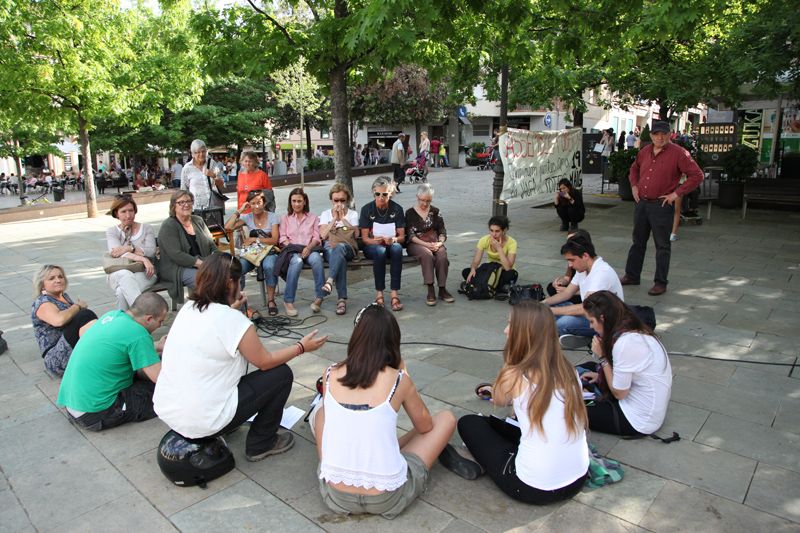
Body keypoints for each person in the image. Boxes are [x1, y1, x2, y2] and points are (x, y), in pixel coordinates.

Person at [154, 254, 328, 461]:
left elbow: (216, 324)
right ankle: (262, 443)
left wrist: (231, 310)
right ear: (230, 283)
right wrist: (301, 347)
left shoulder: (188, 310)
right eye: (238, 280)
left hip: (170, 411)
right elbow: (265, 362)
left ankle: (231, 426)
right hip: (204, 419)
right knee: (280, 374)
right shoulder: (231, 319)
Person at [311, 304, 476, 519]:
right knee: (445, 418)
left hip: (335, 496)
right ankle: (388, 453)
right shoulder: (399, 380)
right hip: (387, 497)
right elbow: (425, 426)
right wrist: (403, 371)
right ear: (392, 341)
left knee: (322, 413)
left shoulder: (330, 373)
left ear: (356, 337)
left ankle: (334, 467)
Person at [457, 301, 589, 504]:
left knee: (469, 423)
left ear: (523, 334)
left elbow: (500, 400)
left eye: (511, 325)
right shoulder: (568, 369)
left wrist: (510, 358)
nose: (505, 330)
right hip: (578, 478)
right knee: (502, 425)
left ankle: (481, 463)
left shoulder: (515, 373)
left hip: (533, 488)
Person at [57, 293, 168, 431]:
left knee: (142, 374)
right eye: (160, 321)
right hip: (95, 413)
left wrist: (157, 346)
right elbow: (162, 379)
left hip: (73, 404)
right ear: (149, 319)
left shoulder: (112, 316)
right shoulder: (139, 334)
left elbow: (124, 346)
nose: (161, 325)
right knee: (166, 395)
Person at [621, 121, 704, 296]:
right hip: (642, 203)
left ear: (670, 134)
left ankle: (660, 282)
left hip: (661, 205)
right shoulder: (644, 151)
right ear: (651, 135)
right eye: (656, 134)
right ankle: (632, 275)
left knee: (662, 246)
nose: (660, 137)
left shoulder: (679, 153)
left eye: (664, 134)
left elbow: (697, 175)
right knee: (638, 242)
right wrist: (634, 186)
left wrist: (676, 194)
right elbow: (633, 169)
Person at [580, 291, 672, 436]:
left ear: (602, 318)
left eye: (591, 321)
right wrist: (600, 375)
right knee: (591, 368)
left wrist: (603, 357)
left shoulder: (625, 343)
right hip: (642, 407)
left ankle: (582, 396)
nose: (591, 327)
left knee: (570, 405)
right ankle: (583, 391)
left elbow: (619, 393)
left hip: (636, 421)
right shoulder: (634, 329)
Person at [542, 236, 624, 344]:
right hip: (589, 313)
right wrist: (542, 304)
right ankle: (560, 330)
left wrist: (548, 311)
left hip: (604, 320)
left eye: (572, 260)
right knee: (551, 307)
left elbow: (587, 309)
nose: (570, 265)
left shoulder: (602, 272)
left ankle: (588, 338)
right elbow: (567, 293)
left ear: (585, 256)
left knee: (562, 322)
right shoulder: (582, 270)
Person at [31, 265, 98, 376]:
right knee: (84, 315)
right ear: (42, 284)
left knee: (91, 317)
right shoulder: (42, 302)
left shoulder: (63, 296)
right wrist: (77, 306)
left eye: (60, 277)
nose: (58, 280)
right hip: (57, 359)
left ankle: (101, 351)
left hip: (70, 348)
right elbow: (59, 320)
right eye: (52, 278)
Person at [225, 189, 280, 314]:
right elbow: (228, 227)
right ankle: (237, 299)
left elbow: (274, 240)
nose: (256, 206)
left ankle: (271, 300)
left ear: (264, 203)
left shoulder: (272, 217)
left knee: (269, 266)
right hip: (253, 253)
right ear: (249, 205)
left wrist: (254, 239)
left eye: (259, 202)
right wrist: (239, 211)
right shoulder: (247, 217)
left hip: (268, 251)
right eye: (253, 203)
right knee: (238, 268)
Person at [156, 191, 217, 301]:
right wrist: (203, 265)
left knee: (232, 273)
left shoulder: (198, 220)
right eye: (181, 202)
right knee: (208, 281)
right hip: (177, 268)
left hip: (202, 263)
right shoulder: (168, 225)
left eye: (189, 201)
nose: (186, 204)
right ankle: (209, 312)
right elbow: (176, 255)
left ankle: (234, 310)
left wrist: (218, 259)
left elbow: (211, 244)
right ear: (174, 206)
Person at [360, 176, 406, 311]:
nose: (381, 197)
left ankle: (394, 293)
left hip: (391, 244)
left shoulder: (397, 209)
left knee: (397, 249)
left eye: (385, 194)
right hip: (373, 246)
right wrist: (374, 241)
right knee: (379, 251)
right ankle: (379, 293)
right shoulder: (367, 209)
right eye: (377, 194)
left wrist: (394, 240)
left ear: (390, 194)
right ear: (373, 193)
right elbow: (364, 239)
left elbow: (402, 236)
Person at [278, 188, 325, 317]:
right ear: (290, 202)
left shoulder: (313, 218)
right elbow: (282, 238)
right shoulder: (285, 218)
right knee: (297, 262)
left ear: (305, 202)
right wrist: (294, 248)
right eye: (294, 201)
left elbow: (316, 237)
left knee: (316, 260)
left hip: (309, 249)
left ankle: (319, 298)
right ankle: (288, 301)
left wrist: (308, 248)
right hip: (293, 250)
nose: (296, 204)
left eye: (299, 201)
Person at [105, 195, 157, 310]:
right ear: (116, 213)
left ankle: (124, 323)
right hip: (117, 271)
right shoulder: (112, 232)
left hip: (144, 272)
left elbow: (151, 251)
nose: (128, 215)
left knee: (121, 292)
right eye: (123, 212)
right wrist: (143, 258)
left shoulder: (146, 228)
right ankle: (143, 315)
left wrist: (129, 248)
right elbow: (116, 253)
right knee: (125, 274)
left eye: (131, 211)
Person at [405, 184, 454, 306]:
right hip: (417, 243)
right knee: (427, 255)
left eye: (428, 201)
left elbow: (442, 231)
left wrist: (440, 242)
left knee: (442, 255)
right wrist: (426, 245)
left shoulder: (435, 211)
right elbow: (410, 235)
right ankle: (430, 288)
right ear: (417, 197)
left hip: (434, 241)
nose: (425, 204)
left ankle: (442, 289)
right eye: (423, 200)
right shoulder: (410, 213)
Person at [319, 183, 359, 316]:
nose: (339, 203)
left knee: (340, 248)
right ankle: (341, 300)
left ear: (347, 200)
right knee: (338, 256)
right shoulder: (325, 214)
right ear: (332, 200)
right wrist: (334, 219)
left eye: (342, 200)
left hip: (348, 248)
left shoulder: (352, 214)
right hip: (332, 249)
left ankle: (329, 281)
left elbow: (356, 234)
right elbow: (323, 235)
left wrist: (343, 219)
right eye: (336, 200)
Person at [462, 215, 518, 295]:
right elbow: (476, 260)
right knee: (466, 272)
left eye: (497, 231)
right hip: (490, 269)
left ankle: (482, 284)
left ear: (504, 230)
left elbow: (508, 267)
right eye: (491, 231)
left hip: (503, 271)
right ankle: (494, 286)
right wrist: (473, 268)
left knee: (511, 274)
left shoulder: (512, 243)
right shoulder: (484, 240)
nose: (494, 234)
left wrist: (499, 249)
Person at [547, 230, 593, 305]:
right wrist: (559, 283)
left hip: (586, 299)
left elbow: (589, 305)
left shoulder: (595, 269)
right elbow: (567, 278)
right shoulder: (578, 263)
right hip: (575, 289)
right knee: (552, 287)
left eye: (572, 241)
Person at [180, 139, 222, 212]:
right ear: (192, 154)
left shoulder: (213, 163)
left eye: (203, 151)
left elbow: (222, 183)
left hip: (213, 206)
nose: (201, 154)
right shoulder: (186, 168)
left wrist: (213, 175)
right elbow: (184, 190)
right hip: (195, 209)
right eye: (197, 152)